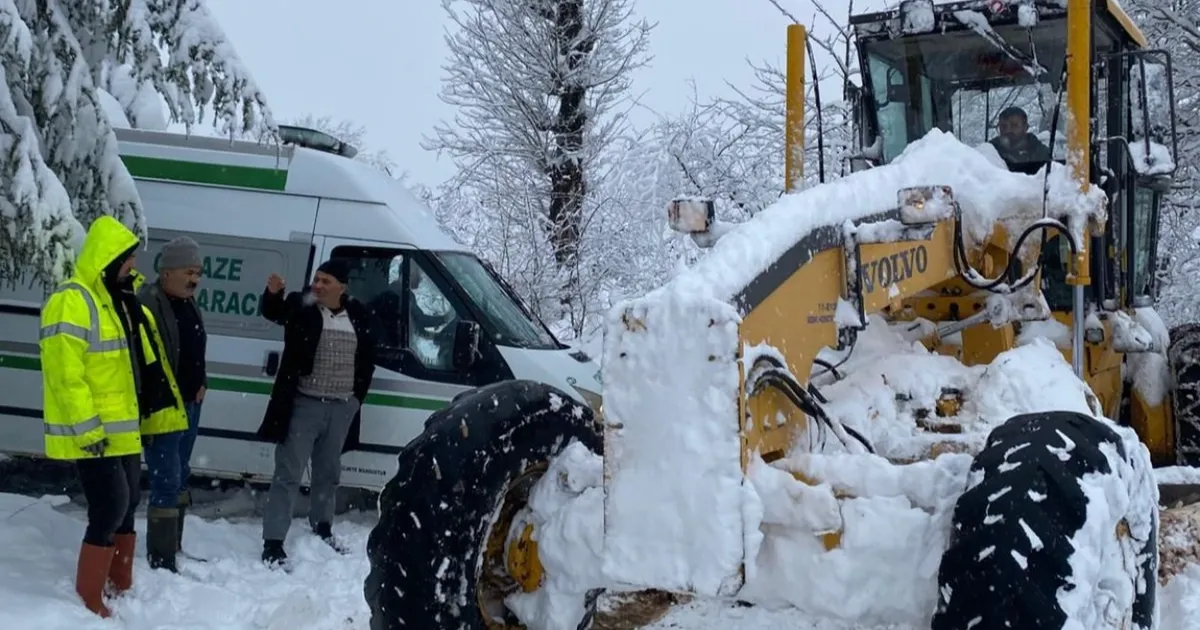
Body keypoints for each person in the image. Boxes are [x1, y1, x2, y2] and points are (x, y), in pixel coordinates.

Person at [39, 216, 188, 617]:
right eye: (128, 260)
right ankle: (89, 598)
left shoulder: (118, 301)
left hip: (122, 428)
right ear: (108, 259)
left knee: (128, 502)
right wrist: (87, 428)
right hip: (94, 430)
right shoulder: (73, 300)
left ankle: (119, 583)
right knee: (109, 506)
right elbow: (64, 374)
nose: (134, 267)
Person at [257, 259, 376, 568]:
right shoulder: (302, 305)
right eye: (317, 279)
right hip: (304, 405)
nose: (318, 286)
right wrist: (273, 295)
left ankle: (322, 527)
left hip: (340, 407)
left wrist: (355, 400)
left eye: (326, 281)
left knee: (328, 473)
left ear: (343, 286)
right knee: (289, 473)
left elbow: (367, 360)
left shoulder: (358, 314)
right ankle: (273, 541)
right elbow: (273, 312)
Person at [136, 236, 208, 572]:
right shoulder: (147, 303)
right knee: (165, 479)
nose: (195, 278)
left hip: (189, 405)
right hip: (164, 407)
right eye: (189, 271)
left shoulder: (188, 301)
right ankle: (161, 559)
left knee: (180, 475)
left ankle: (173, 548)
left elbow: (193, 347)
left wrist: (201, 381)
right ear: (167, 271)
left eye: (199, 272)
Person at [988, 106, 1053, 174]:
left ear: (1026, 127)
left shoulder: (1041, 153)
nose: (1008, 130)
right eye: (1003, 126)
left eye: (1014, 125)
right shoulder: (990, 151)